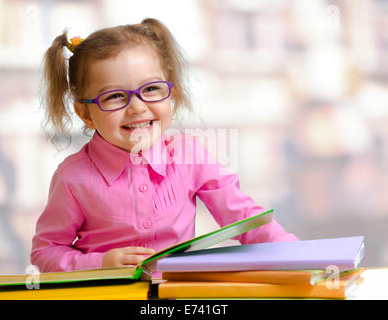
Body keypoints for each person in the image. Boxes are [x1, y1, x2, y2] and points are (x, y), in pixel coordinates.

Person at [31, 18, 298, 273]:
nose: (137, 107)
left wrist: (293, 254)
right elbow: (45, 252)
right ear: (86, 114)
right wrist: (100, 262)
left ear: (170, 90)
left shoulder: (189, 156)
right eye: (114, 96)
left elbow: (243, 218)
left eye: (151, 89)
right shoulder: (72, 178)